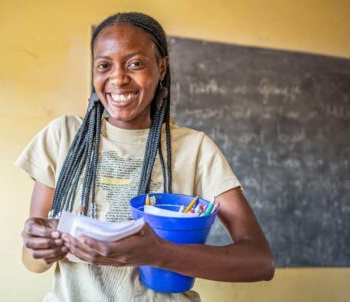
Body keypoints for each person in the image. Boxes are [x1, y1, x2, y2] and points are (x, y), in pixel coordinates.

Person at [16, 12, 274, 302]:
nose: (118, 78)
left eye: (135, 63)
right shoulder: (64, 137)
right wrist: (38, 245)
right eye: (104, 65)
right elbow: (32, 262)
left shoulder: (195, 149)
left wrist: (159, 253)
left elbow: (259, 261)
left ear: (161, 68)